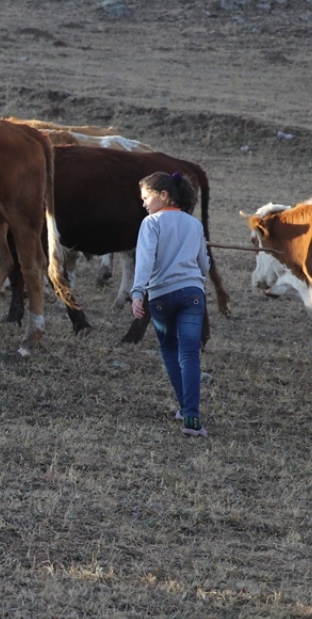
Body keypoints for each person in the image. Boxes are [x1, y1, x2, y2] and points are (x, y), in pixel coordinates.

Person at [130, 172, 211, 438]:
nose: (143, 204)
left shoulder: (151, 223)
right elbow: (203, 265)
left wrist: (137, 292)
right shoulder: (194, 225)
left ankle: (183, 406)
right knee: (189, 353)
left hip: (162, 296)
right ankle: (191, 416)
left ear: (163, 195)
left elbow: (145, 260)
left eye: (146, 197)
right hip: (192, 294)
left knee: (169, 349)